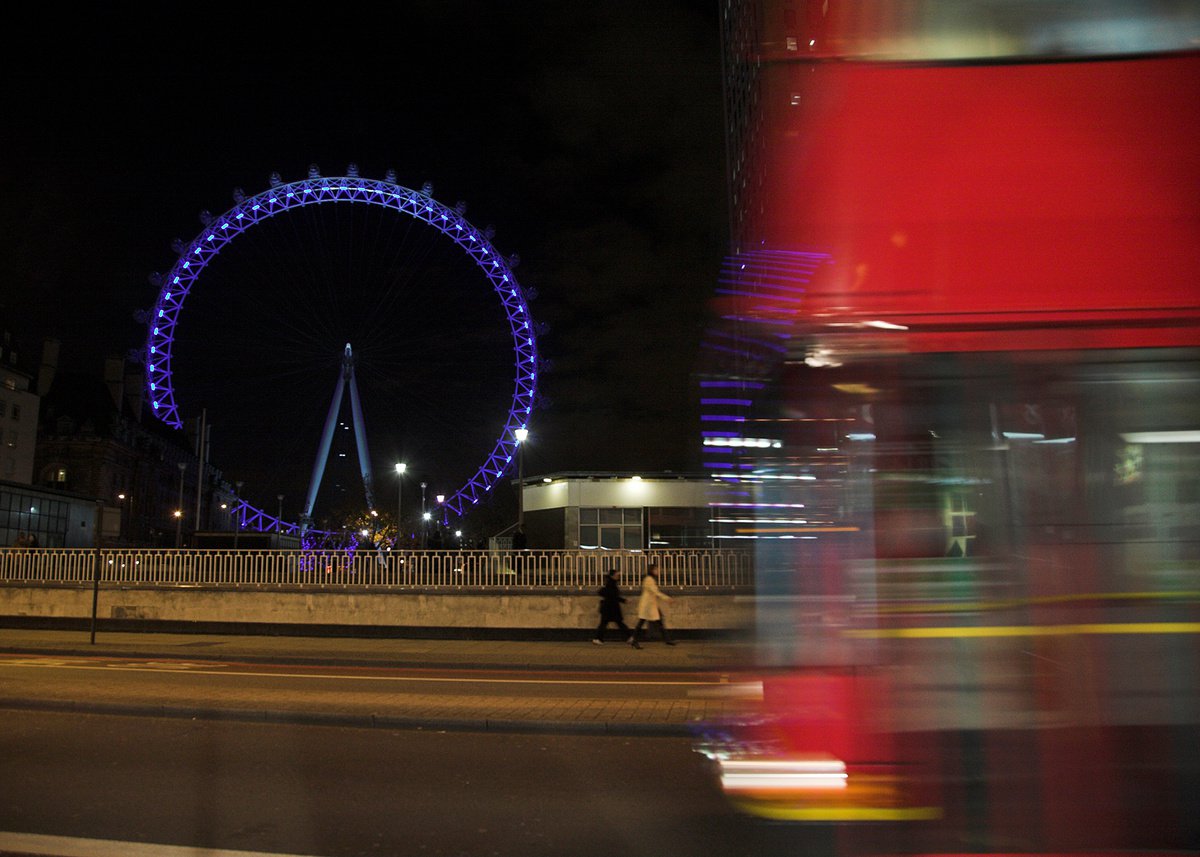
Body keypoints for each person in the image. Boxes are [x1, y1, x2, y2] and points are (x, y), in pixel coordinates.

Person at [629, 563, 676, 647]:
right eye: (656, 569)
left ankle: (667, 640)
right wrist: (667, 598)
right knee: (643, 623)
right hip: (648, 606)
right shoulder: (649, 580)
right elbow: (655, 592)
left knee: (657, 622)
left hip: (651, 605)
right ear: (652, 570)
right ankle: (634, 639)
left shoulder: (650, 579)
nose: (658, 571)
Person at [592, 566, 630, 644]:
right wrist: (623, 600)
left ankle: (598, 638)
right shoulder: (611, 584)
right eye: (617, 575)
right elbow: (613, 595)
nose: (618, 576)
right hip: (611, 608)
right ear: (612, 576)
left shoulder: (610, 583)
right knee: (619, 623)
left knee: (605, 624)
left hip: (608, 607)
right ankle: (629, 637)